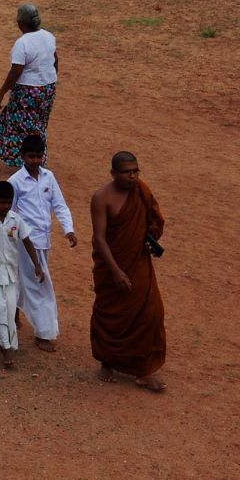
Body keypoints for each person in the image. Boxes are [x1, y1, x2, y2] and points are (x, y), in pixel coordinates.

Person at [90, 151, 167, 391]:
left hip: (139, 261)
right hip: (113, 265)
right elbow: (99, 238)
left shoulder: (141, 191)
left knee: (151, 312)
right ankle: (106, 362)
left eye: (136, 171)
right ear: (113, 173)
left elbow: (153, 221)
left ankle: (143, 370)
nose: (133, 176)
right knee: (111, 312)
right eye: (127, 172)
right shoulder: (101, 198)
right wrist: (115, 271)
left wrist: (150, 241)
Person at [8, 135, 76, 351]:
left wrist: (69, 230)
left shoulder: (49, 177)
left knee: (23, 278)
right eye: (31, 156)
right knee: (40, 284)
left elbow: (60, 205)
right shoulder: (15, 182)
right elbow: (9, 213)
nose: (35, 160)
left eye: (39, 156)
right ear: (22, 156)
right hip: (25, 242)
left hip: (44, 241)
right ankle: (43, 333)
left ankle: (12, 314)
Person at [0, 180, 44, 368]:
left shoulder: (16, 219)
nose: (5, 206)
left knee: (10, 309)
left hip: (11, 272)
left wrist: (37, 265)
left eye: (8, 202)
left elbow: (27, 241)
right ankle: (7, 348)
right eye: (1, 202)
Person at [0, 3, 59, 167]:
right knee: (39, 124)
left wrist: (1, 92)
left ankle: (31, 161)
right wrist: (50, 79)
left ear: (20, 22)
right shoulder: (48, 36)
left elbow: (16, 70)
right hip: (48, 88)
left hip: (27, 92)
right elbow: (55, 59)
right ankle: (36, 158)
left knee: (21, 127)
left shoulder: (22, 43)